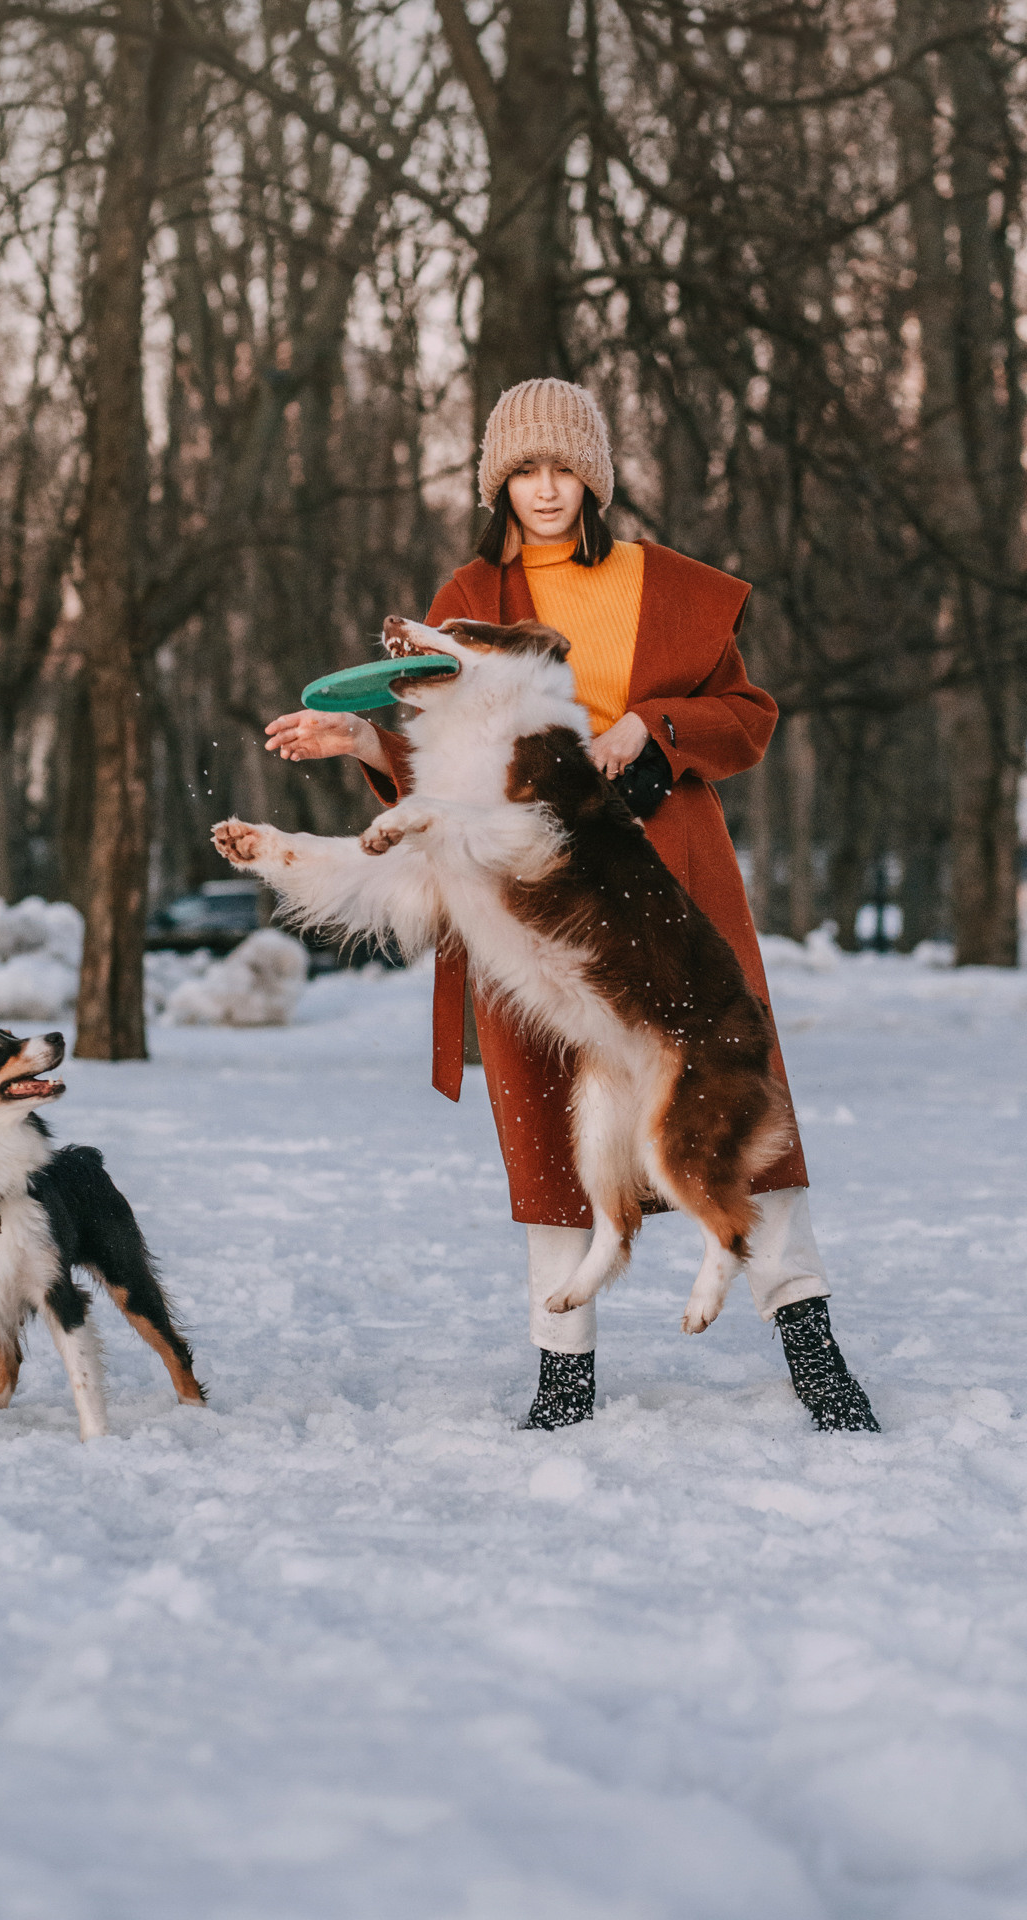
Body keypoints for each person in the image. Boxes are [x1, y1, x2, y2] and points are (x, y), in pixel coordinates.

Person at [265, 378, 877, 1436]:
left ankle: (809, 1344)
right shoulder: (470, 592)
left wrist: (649, 727)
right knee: (541, 1113)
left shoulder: (667, 588)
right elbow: (444, 752)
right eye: (522, 472)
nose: (543, 490)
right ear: (496, 483)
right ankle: (563, 1374)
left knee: (724, 1085)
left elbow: (745, 716)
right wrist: (367, 745)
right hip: (519, 881)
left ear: (590, 479)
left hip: (663, 872)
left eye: (561, 470)